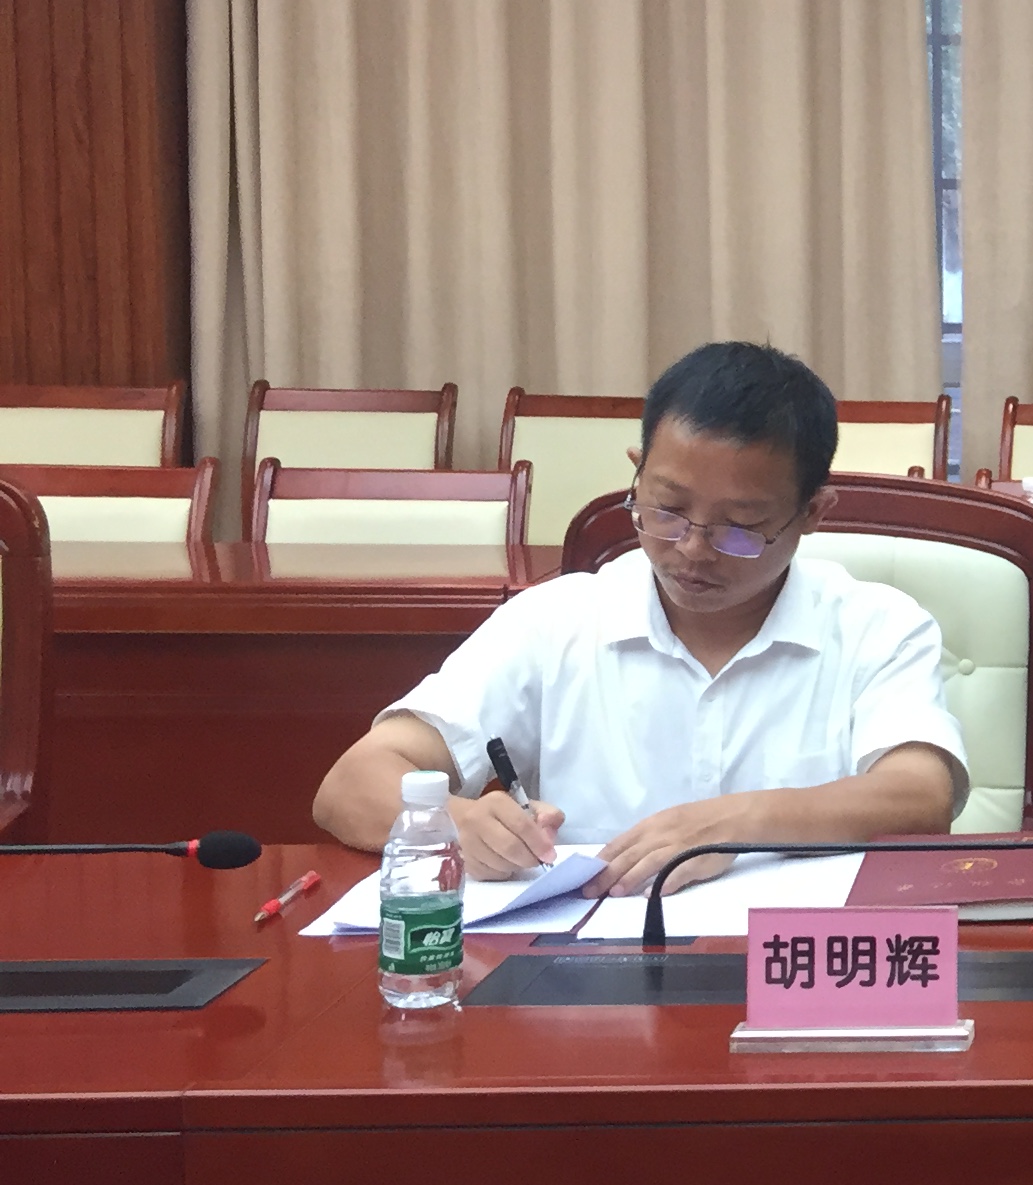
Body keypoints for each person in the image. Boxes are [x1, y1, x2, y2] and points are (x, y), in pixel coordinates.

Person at [312, 342, 967, 895]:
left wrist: (733, 825)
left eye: (740, 527)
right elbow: (351, 783)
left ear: (814, 514)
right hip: (588, 974)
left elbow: (920, 797)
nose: (693, 549)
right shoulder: (554, 620)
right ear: (637, 474)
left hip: (795, 967)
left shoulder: (877, 626)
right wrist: (457, 824)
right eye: (667, 510)